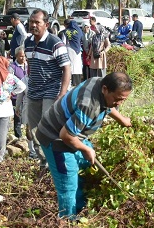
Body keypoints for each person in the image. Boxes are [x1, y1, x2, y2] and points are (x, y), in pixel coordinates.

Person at [35, 72, 133, 218]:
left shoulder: (99, 82)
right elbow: (66, 136)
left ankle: (80, 209)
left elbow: (108, 105)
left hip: (74, 134)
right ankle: (67, 222)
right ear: (105, 89)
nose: (119, 103)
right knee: (68, 183)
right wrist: (85, 149)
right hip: (55, 138)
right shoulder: (89, 106)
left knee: (86, 167)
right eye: (118, 99)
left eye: (123, 99)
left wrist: (122, 119)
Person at [24, 9, 71, 161]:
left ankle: (55, 160)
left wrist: (62, 93)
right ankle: (44, 161)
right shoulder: (28, 42)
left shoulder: (55, 43)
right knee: (34, 130)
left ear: (46, 24)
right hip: (33, 91)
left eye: (37, 22)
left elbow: (66, 69)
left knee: (47, 128)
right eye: (31, 22)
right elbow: (30, 65)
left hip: (52, 90)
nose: (33, 25)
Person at [9, 46, 27, 139]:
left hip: (27, 96)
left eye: (24, 56)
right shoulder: (12, 67)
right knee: (18, 117)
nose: (23, 58)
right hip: (16, 96)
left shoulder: (28, 66)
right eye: (21, 56)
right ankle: (18, 136)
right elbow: (9, 81)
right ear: (16, 56)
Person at [61, 18, 83, 86]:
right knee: (77, 66)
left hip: (69, 49)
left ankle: (72, 82)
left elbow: (63, 42)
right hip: (78, 50)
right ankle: (78, 81)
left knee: (71, 66)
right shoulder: (79, 31)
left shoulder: (66, 31)